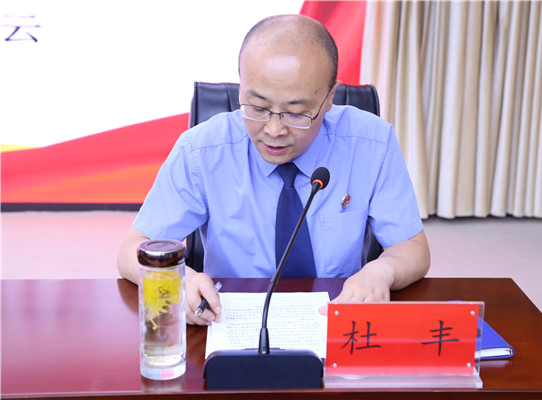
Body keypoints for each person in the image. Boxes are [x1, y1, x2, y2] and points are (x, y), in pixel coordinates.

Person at [117, 14, 430, 325]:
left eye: (296, 113)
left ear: (329, 97)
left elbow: (412, 247)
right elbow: (133, 249)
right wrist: (178, 280)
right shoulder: (202, 151)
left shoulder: (371, 144)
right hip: (229, 322)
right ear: (241, 88)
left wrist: (381, 271)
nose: (274, 130)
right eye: (257, 107)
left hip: (336, 319)